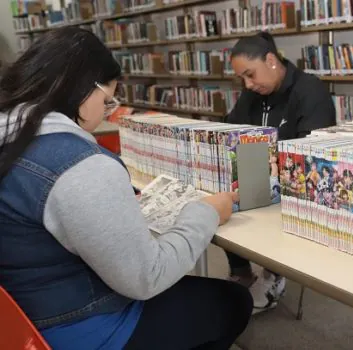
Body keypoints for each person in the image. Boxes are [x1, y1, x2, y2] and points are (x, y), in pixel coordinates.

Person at [0, 27, 252, 350]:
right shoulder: (79, 165)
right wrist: (206, 213)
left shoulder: (13, 139)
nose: (106, 113)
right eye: (107, 101)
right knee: (232, 302)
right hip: (84, 327)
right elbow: (146, 277)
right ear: (82, 90)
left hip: (25, 318)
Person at [226, 31, 337, 314]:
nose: (247, 85)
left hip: (297, 188)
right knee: (220, 197)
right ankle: (241, 272)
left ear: (272, 60)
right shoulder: (252, 95)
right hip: (258, 180)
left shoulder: (310, 91)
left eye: (250, 75)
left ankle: (273, 274)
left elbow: (314, 158)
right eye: (242, 79)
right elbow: (231, 133)